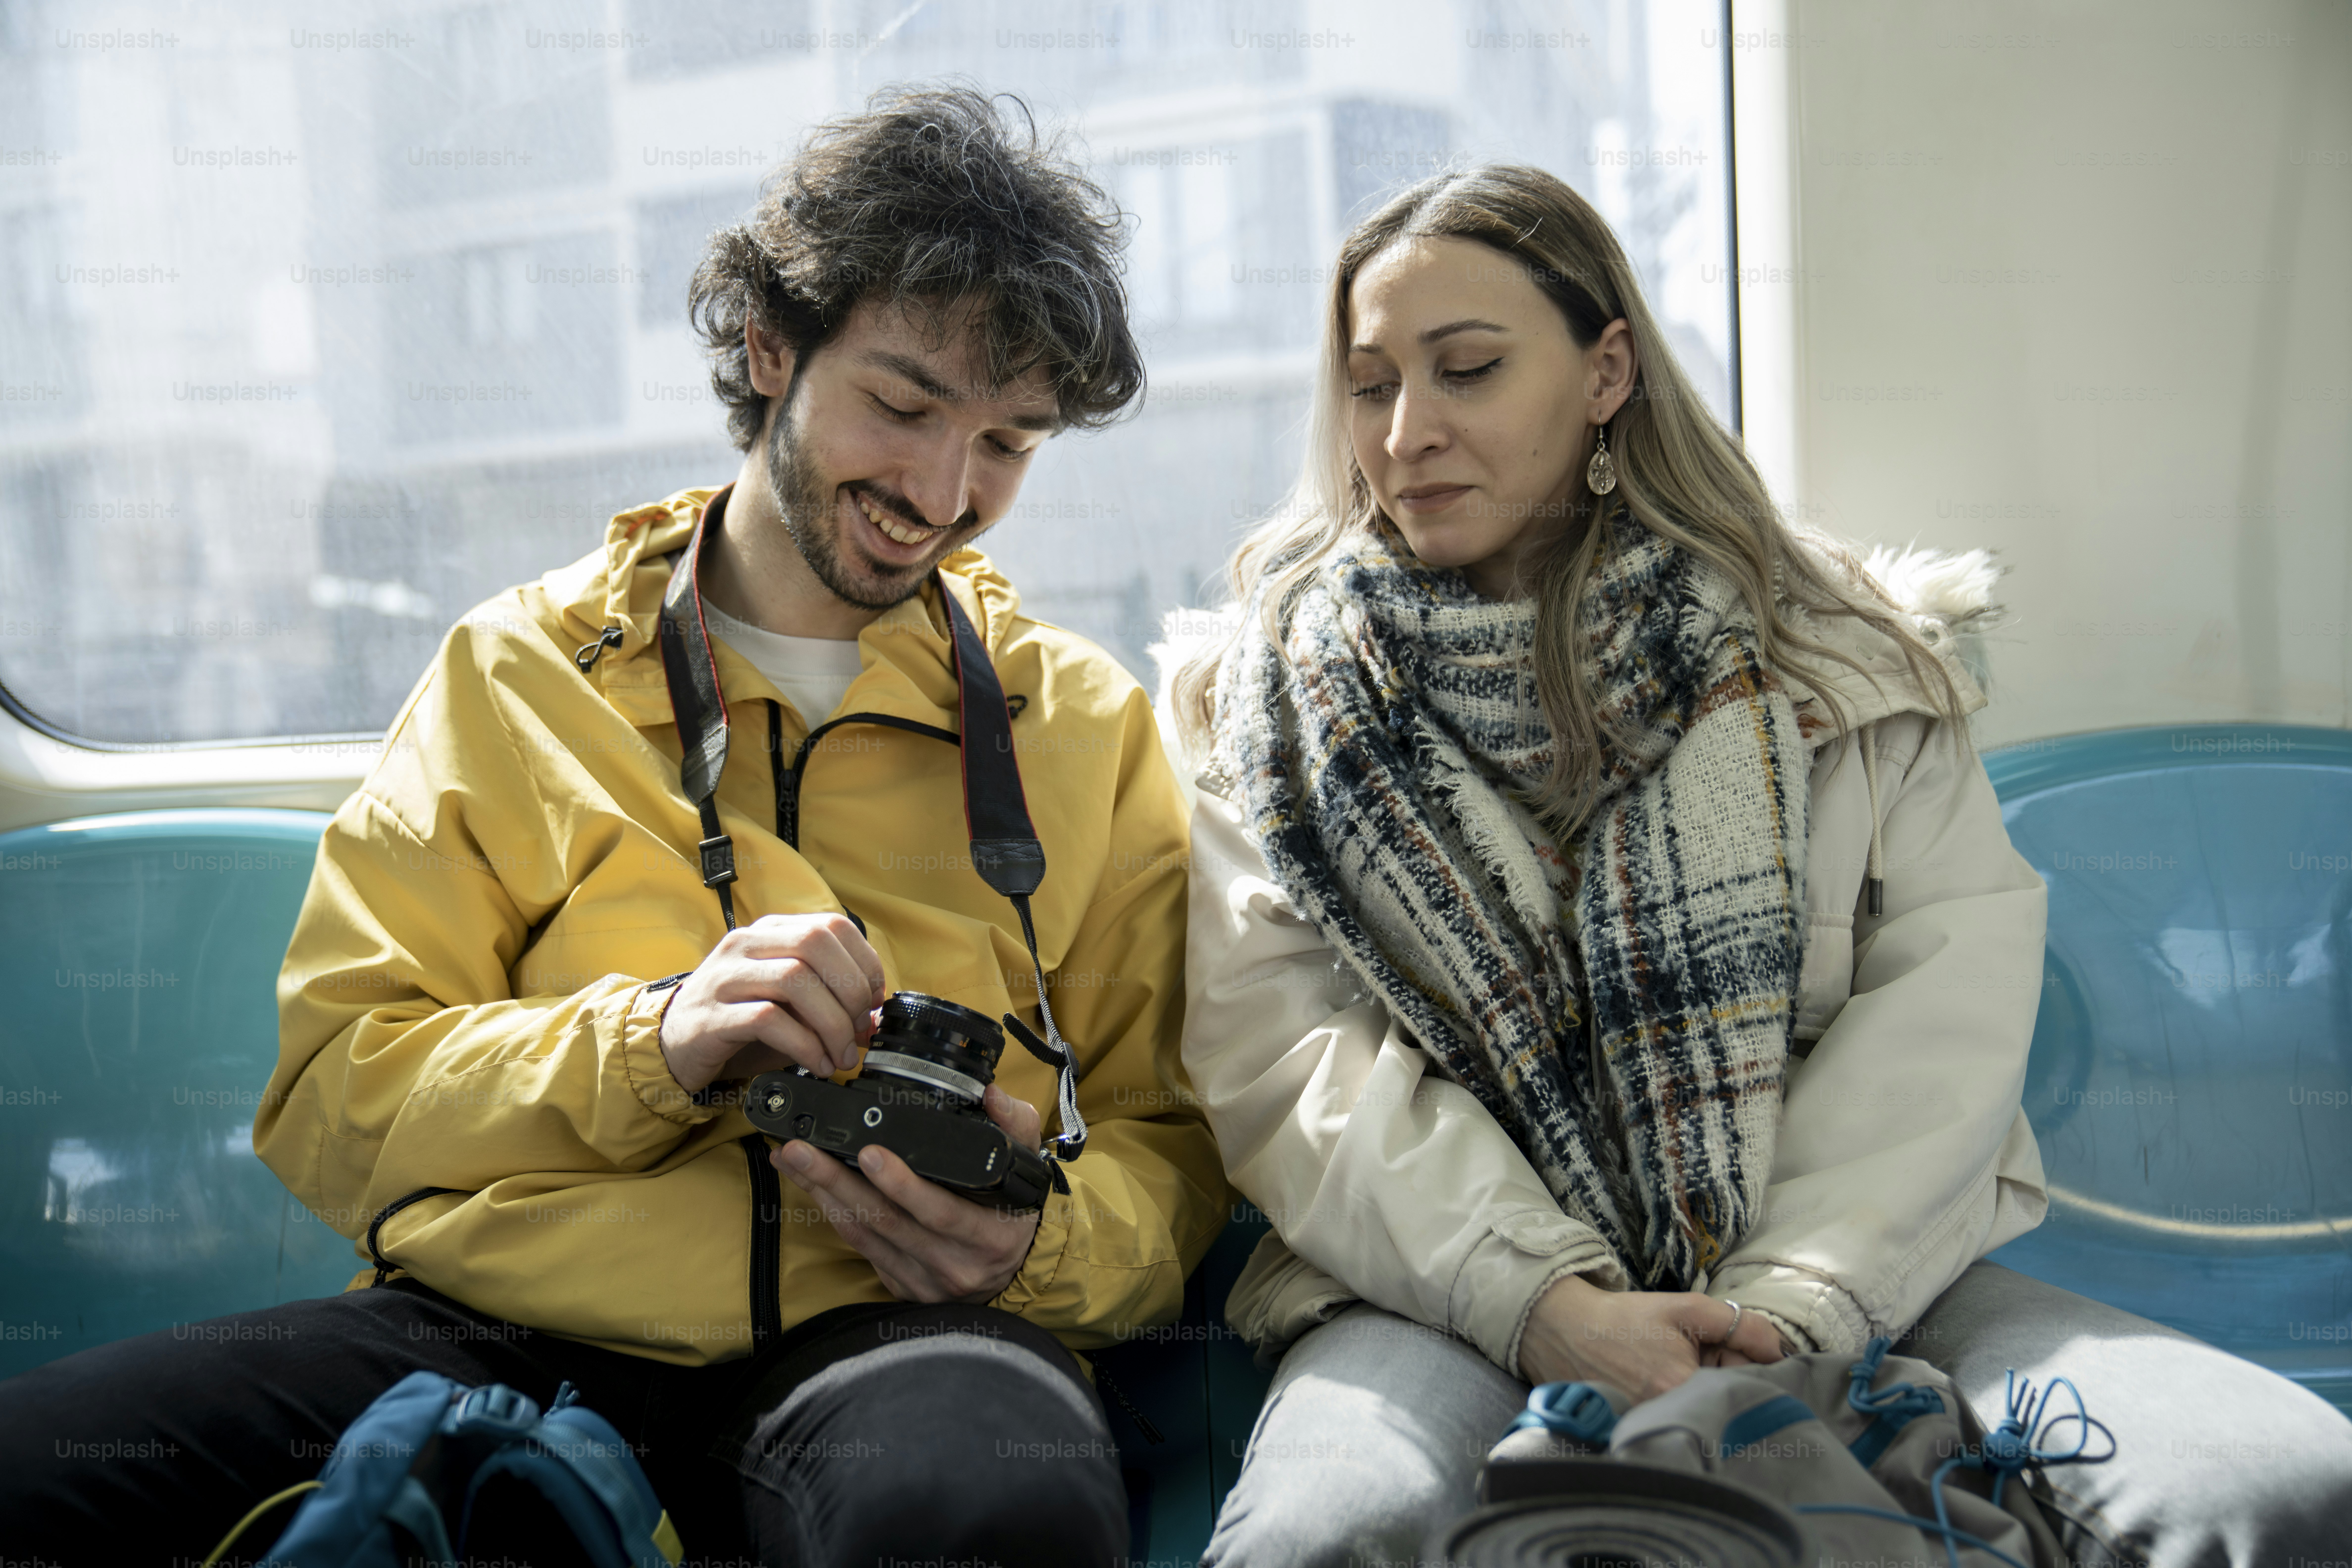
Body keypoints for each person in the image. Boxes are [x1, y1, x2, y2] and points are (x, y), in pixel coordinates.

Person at [1, 86, 1226, 1566]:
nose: (944, 494)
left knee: (988, 1514)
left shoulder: (1079, 730)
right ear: (771, 350)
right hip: (499, 1326)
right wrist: (648, 1045)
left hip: (900, 1337)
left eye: (1011, 445)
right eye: (902, 407)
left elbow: (1172, 1145)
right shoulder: (516, 674)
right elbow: (334, 1101)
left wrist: (1041, 1249)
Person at [1163, 162, 2352, 1568]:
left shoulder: (1841, 655)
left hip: (1869, 1267)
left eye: (1468, 370)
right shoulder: (1277, 707)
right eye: (1371, 387)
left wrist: (1789, 1309)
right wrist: (1548, 1303)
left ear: (1607, 374)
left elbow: (1946, 1014)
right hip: (1442, 1286)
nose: (1408, 433)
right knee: (1328, 1535)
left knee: (2279, 1483)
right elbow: (1294, 1069)